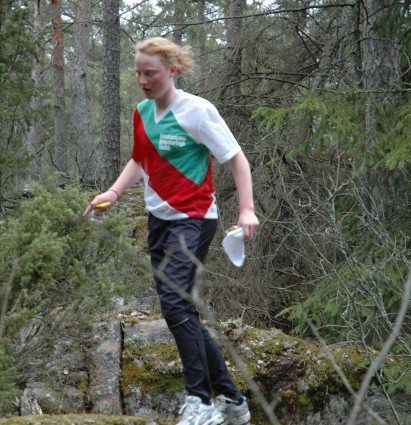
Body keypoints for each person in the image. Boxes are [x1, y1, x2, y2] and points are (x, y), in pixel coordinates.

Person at [83, 37, 259, 425]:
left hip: (194, 218)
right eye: (138, 73)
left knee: (176, 305)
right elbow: (140, 160)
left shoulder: (198, 111)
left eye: (151, 73)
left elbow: (236, 159)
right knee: (182, 311)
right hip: (159, 220)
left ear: (172, 71)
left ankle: (200, 402)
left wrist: (246, 209)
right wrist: (113, 192)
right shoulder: (142, 112)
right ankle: (232, 400)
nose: (143, 81)